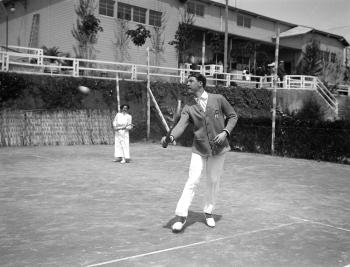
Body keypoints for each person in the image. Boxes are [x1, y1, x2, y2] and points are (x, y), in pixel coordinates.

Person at [161, 73, 238, 232]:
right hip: (199, 149)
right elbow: (181, 125)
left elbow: (232, 116)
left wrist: (225, 132)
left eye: (191, 81)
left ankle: (208, 212)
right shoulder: (188, 107)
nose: (187, 83)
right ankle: (181, 217)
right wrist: (170, 138)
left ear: (201, 83)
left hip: (219, 148)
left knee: (213, 180)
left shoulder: (218, 98)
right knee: (193, 180)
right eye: (187, 81)